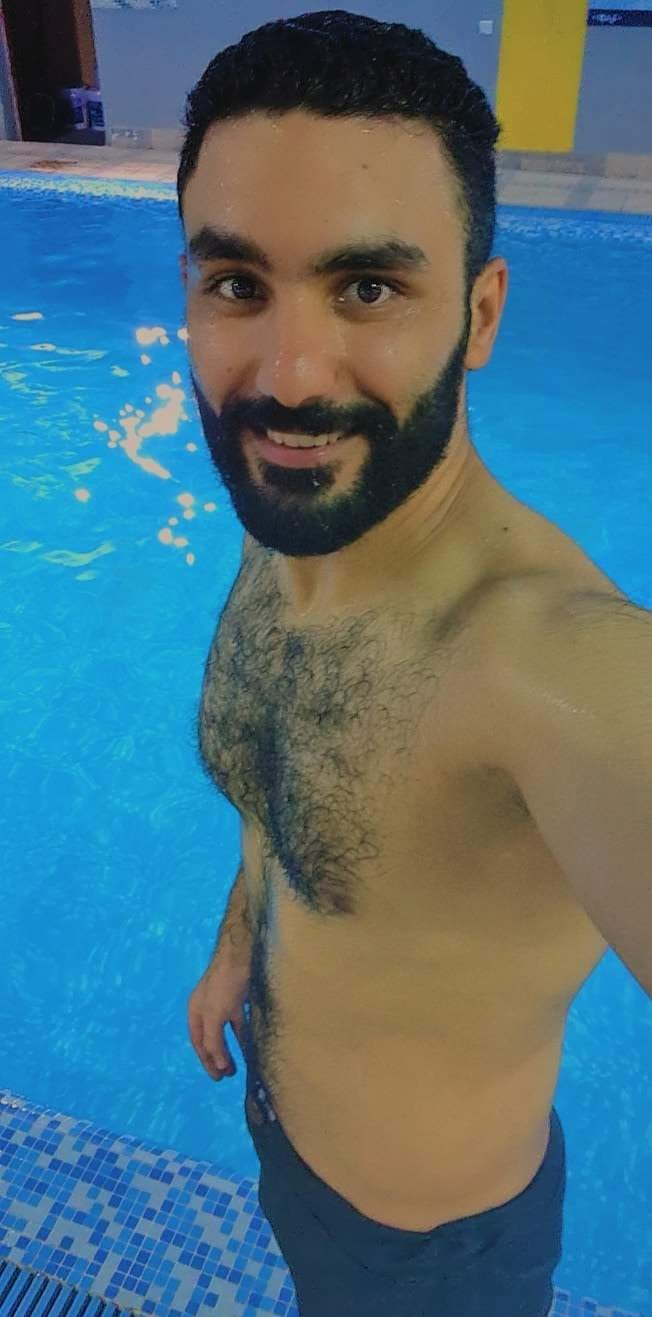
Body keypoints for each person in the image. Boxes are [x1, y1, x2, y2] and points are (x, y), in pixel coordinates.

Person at [181, 11, 644, 1315]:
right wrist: (237, 943)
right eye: (237, 283)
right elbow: (284, 794)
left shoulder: (551, 662)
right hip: (287, 1146)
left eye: (368, 287)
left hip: (436, 1258)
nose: (287, 377)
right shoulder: (292, 519)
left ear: (480, 313)